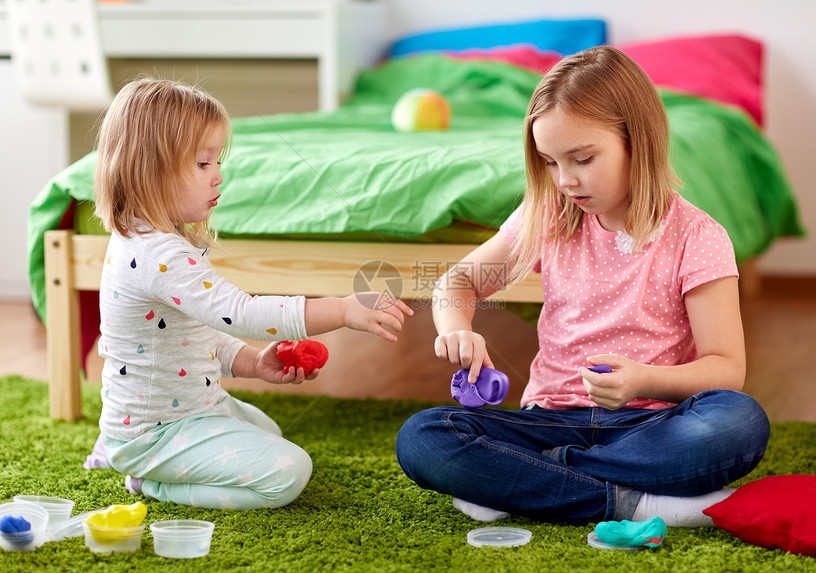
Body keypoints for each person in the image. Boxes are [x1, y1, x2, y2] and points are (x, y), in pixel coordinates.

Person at [396, 46, 769, 526]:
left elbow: (726, 368)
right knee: (424, 436)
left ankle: (521, 482)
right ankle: (635, 501)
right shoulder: (548, 213)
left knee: (739, 421)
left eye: (583, 158)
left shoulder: (697, 236)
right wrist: (457, 328)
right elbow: (457, 284)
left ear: (639, 140)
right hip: (550, 421)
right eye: (550, 162)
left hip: (649, 425)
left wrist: (644, 380)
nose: (565, 180)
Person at [92, 77, 413, 510]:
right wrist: (341, 310)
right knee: (288, 473)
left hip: (190, 409)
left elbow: (192, 333)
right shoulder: (157, 254)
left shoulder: (154, 240)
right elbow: (240, 312)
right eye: (203, 164)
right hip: (155, 432)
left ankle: (140, 458)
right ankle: (148, 480)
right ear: (151, 170)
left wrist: (254, 363)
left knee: (271, 435)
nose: (218, 175)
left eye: (216, 161)